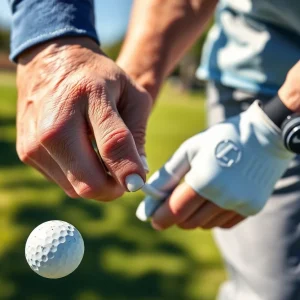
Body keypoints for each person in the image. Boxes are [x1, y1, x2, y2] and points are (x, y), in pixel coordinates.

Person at [8, 0, 300, 299]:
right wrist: (126, 91)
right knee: (276, 291)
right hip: (257, 70)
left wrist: (276, 123)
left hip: (279, 107)